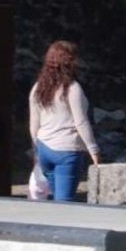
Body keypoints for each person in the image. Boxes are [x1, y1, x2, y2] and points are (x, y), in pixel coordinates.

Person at [29, 41, 100, 201]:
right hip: (67, 151)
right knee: (64, 203)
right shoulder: (72, 88)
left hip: (44, 149)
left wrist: (36, 151)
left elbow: (34, 125)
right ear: (69, 62)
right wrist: (93, 150)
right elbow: (81, 122)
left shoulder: (38, 88)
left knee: (57, 202)